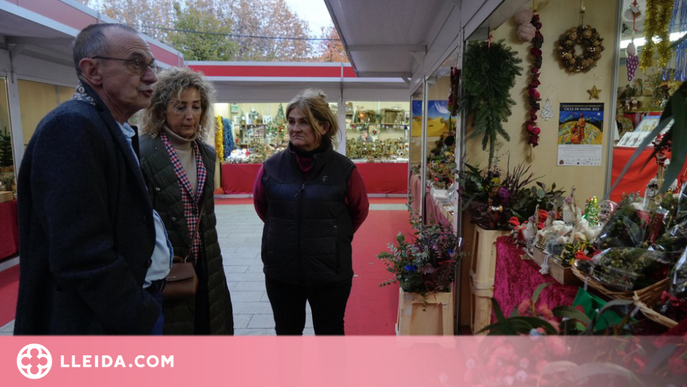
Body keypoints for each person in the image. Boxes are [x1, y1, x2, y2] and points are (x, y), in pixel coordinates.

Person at [14, 23, 171, 334]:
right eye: (136, 63)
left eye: (152, 65)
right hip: (97, 323)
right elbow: (80, 253)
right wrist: (137, 313)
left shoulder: (104, 126)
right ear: (93, 71)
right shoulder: (73, 127)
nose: (152, 76)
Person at [253, 89, 369, 335]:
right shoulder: (270, 168)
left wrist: (333, 234)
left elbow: (359, 211)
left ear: (323, 126)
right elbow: (263, 208)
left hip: (329, 274)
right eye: (292, 121)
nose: (295, 128)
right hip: (281, 273)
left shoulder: (344, 170)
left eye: (304, 121)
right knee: (287, 335)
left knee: (330, 337)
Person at [138, 67, 234, 335]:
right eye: (180, 107)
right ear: (161, 110)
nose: (190, 115)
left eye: (196, 106)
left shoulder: (206, 152)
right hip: (165, 264)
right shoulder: (143, 151)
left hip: (207, 259)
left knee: (208, 325)